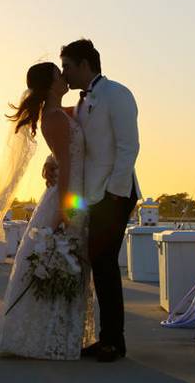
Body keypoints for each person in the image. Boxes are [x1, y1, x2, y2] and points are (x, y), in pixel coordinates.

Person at [0, 62, 96, 359]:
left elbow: (61, 154)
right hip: (68, 196)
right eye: (59, 74)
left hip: (73, 192)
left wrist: (49, 161)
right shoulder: (53, 117)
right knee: (65, 262)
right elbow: (66, 165)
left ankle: (60, 335)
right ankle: (47, 338)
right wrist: (68, 210)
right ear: (50, 83)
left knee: (72, 265)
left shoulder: (61, 113)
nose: (64, 77)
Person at [59, 38, 140, 362]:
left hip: (114, 192)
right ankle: (106, 337)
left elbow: (128, 147)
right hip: (92, 195)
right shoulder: (82, 102)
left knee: (104, 262)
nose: (64, 73)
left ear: (83, 64)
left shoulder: (117, 94)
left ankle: (114, 342)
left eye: (67, 66)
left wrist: (113, 193)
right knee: (98, 263)